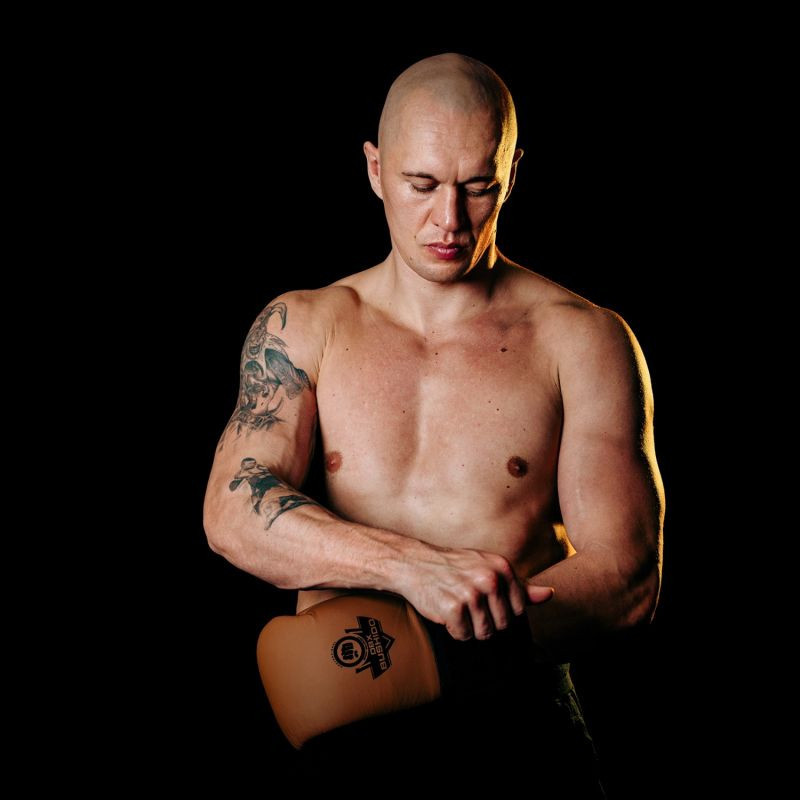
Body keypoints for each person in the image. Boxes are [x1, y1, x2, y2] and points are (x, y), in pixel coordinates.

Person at [204, 53, 664, 795]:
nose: (449, 220)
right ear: (375, 169)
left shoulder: (583, 339)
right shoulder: (306, 325)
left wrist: (438, 656)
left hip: (515, 726)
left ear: (512, 172)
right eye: (421, 185)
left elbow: (628, 576)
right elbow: (233, 509)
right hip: (346, 722)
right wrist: (409, 568)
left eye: (478, 186)